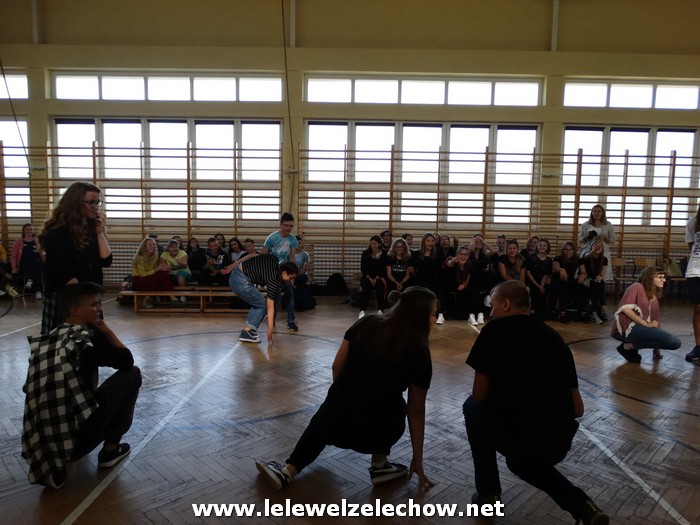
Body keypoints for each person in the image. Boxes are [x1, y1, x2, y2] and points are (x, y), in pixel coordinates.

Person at [254, 287, 436, 492]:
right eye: (433, 314)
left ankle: (288, 471)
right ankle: (380, 465)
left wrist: (343, 400)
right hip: (378, 433)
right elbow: (416, 411)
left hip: (333, 425)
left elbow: (336, 367)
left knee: (326, 415)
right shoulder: (420, 354)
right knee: (393, 403)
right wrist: (417, 459)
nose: (434, 319)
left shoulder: (367, 322)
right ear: (419, 316)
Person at [463, 281, 609, 525]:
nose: (491, 313)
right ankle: (584, 506)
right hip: (557, 441)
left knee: (470, 407)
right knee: (523, 461)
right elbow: (578, 408)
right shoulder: (554, 337)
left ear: (506, 304)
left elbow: (479, 396)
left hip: (517, 435)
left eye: (493, 306)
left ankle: (488, 494)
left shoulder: (494, 331)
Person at [22, 282, 141, 490]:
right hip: (78, 441)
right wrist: (106, 330)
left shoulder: (49, 339)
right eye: (94, 304)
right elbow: (127, 361)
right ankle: (110, 451)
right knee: (133, 375)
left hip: (42, 443)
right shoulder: (88, 335)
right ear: (75, 310)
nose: (99, 309)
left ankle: (57, 468)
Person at [38, 182, 113, 334]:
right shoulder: (57, 233)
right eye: (91, 202)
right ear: (76, 203)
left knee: (93, 343)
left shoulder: (91, 230)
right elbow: (64, 273)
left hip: (87, 297)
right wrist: (82, 304)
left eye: (97, 202)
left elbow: (106, 260)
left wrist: (100, 233)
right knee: (65, 345)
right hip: (69, 299)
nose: (96, 207)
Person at [222, 252, 297, 344]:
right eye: (290, 278)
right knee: (262, 305)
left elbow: (252, 254)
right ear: (284, 273)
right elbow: (270, 306)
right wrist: (270, 329)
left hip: (235, 273)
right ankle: (247, 332)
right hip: (240, 283)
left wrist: (233, 265)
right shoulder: (272, 280)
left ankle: (248, 329)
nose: (290, 281)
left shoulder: (273, 258)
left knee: (259, 303)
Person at [612, 266, 681, 363]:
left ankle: (630, 347)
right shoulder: (637, 287)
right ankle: (626, 346)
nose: (664, 280)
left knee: (676, 343)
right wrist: (645, 324)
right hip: (628, 329)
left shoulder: (654, 297)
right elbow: (625, 309)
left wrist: (657, 348)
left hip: (642, 329)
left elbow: (656, 322)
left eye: (664, 277)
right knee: (668, 339)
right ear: (649, 277)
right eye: (660, 277)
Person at [262, 212, 300, 332]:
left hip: (285, 271)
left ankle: (290, 321)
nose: (288, 228)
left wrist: (292, 276)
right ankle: (271, 319)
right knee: (275, 296)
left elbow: (292, 258)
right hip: (273, 271)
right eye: (286, 225)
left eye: (291, 226)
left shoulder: (292, 239)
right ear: (281, 224)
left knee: (290, 294)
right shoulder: (272, 238)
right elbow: (263, 255)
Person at [131, 237, 178, 307]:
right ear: (145, 246)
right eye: (150, 245)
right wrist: (157, 270)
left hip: (149, 277)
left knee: (164, 273)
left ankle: (148, 298)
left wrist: (163, 268)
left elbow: (155, 270)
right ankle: (173, 299)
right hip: (139, 279)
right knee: (162, 276)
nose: (152, 246)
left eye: (154, 244)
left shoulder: (154, 255)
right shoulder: (140, 257)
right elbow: (142, 274)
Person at [413, 232, 446, 324]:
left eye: (432, 241)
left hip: (434, 280)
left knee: (440, 289)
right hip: (420, 280)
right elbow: (414, 269)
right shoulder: (416, 254)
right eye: (428, 241)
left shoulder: (438, 254)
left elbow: (440, 271)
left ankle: (440, 314)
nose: (431, 243)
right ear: (423, 242)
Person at [551, 241, 588, 323]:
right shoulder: (558, 258)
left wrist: (583, 275)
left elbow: (584, 272)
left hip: (570, 280)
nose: (568, 251)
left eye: (571, 249)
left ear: (574, 251)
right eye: (566, 249)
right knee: (564, 287)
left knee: (584, 289)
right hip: (558, 281)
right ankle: (562, 313)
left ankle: (583, 313)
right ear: (563, 250)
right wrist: (561, 269)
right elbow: (555, 268)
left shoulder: (578, 259)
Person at [578, 204, 616, 282]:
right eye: (594, 211)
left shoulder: (608, 224)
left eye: (599, 211)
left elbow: (613, 239)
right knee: (587, 272)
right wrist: (586, 236)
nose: (596, 213)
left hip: (602, 252)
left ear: (603, 213)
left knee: (601, 274)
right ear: (591, 213)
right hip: (588, 252)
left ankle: (599, 286)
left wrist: (605, 238)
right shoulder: (585, 225)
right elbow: (580, 240)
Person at [11, 223, 46, 300]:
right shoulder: (18, 242)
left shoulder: (38, 241)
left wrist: (39, 247)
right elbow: (14, 256)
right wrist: (14, 267)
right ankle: (38, 291)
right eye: (27, 229)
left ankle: (30, 280)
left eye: (31, 229)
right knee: (35, 264)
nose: (29, 231)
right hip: (24, 265)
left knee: (36, 262)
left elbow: (43, 253)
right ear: (23, 231)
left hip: (38, 264)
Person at [358, 235, 388, 319]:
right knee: (366, 287)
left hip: (379, 277)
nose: (373, 245)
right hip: (367, 277)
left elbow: (383, 269)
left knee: (380, 287)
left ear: (379, 244)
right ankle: (362, 310)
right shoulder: (365, 253)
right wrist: (370, 279)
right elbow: (363, 269)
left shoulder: (384, 254)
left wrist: (376, 278)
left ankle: (380, 310)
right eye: (371, 243)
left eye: (375, 244)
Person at [684, 205, 700, 365]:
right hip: (696, 270)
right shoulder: (693, 222)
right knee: (698, 308)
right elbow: (691, 246)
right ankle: (698, 345)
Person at [525, 238, 553, 321]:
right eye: (540, 245)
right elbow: (528, 272)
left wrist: (541, 286)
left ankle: (542, 314)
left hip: (541, 282)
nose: (542, 247)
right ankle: (531, 312)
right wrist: (537, 286)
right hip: (531, 281)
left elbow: (545, 274)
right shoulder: (530, 257)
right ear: (537, 246)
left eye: (544, 246)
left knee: (543, 293)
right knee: (534, 292)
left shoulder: (549, 260)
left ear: (547, 248)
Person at [581, 240, 608, 324]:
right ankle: (601, 308)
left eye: (600, 246)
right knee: (596, 285)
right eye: (595, 245)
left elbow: (603, 274)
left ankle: (596, 312)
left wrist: (600, 278)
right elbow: (585, 259)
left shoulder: (604, 259)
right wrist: (594, 250)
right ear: (592, 247)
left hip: (596, 281)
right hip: (586, 280)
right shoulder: (587, 255)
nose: (598, 247)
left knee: (600, 283)